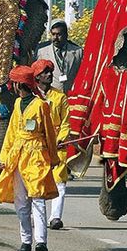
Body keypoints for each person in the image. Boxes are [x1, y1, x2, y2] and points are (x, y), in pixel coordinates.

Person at [0, 65, 60, 251]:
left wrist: (53, 158)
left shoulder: (41, 105)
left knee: (37, 199)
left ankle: (41, 241)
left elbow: (49, 134)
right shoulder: (16, 104)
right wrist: (4, 159)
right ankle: (25, 241)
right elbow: (11, 133)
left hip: (36, 155)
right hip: (18, 156)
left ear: (19, 84)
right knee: (21, 202)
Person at [34, 60, 71, 230]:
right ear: (36, 77)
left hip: (57, 145)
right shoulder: (31, 98)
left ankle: (55, 217)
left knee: (60, 182)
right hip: (37, 146)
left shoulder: (60, 97)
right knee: (37, 182)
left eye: (50, 72)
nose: (49, 75)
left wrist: (61, 139)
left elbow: (65, 122)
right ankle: (37, 216)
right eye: (45, 72)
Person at [35, 20, 82, 88]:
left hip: (70, 93)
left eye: (59, 34)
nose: (55, 38)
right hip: (51, 94)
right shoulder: (42, 52)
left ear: (66, 35)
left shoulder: (78, 51)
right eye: (53, 34)